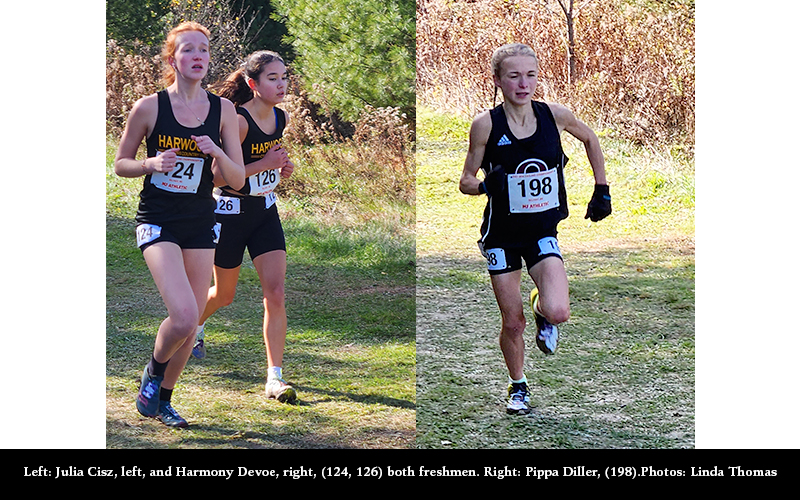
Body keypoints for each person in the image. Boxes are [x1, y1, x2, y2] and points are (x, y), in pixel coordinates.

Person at [458, 43, 611, 415]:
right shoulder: (486, 124)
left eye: (530, 74)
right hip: (502, 236)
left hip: (543, 231)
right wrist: (485, 186)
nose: (523, 83)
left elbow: (590, 138)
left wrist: (601, 189)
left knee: (559, 311)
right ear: (498, 80)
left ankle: (542, 309)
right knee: (513, 323)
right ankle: (519, 385)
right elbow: (465, 180)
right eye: (513, 76)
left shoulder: (555, 116)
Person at [114, 22, 246, 427]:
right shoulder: (149, 107)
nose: (198, 57)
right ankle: (153, 371)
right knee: (186, 315)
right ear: (173, 59)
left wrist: (218, 154)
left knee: (189, 330)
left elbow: (238, 180)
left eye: (204, 50)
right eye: (189, 50)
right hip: (157, 221)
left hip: (200, 223)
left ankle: (163, 400)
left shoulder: (223, 110)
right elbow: (121, 164)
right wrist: (150, 164)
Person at [192, 50, 298, 404]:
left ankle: (274, 378)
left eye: (284, 76)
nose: (281, 84)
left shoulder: (280, 118)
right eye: (273, 78)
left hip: (265, 212)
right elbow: (219, 176)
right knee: (224, 295)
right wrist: (262, 164)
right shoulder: (237, 121)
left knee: (276, 292)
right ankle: (192, 325)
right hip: (231, 213)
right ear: (253, 84)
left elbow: (270, 159)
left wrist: (281, 168)